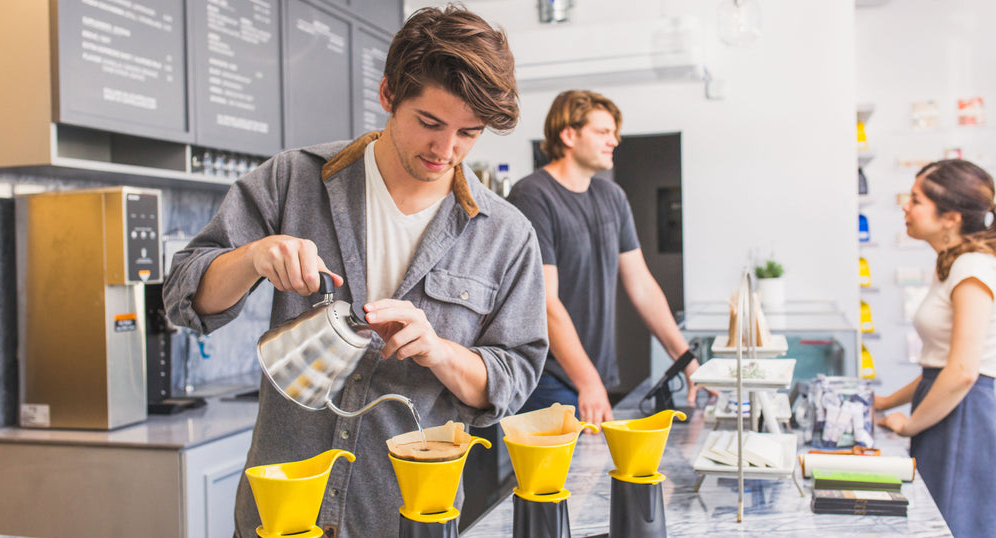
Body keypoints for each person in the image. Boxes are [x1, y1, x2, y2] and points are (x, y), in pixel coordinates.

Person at [163, 7, 547, 537]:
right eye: (429, 123)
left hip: (405, 517)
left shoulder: (506, 234)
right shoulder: (292, 180)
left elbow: (513, 378)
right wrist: (251, 257)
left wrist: (439, 352)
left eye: (468, 133)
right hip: (281, 515)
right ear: (389, 95)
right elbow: (183, 295)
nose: (446, 150)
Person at [507, 90, 698, 428]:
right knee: (560, 481)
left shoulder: (612, 196)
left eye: (615, 133)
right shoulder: (533, 195)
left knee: (591, 478)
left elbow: (642, 286)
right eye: (603, 132)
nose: (614, 140)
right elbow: (546, 301)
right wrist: (586, 381)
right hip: (549, 377)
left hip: (592, 376)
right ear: (569, 134)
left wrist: (686, 360)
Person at [874, 159, 996, 537]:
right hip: (950, 406)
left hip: (965, 415)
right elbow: (940, 366)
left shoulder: (971, 268)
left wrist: (910, 423)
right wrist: (884, 403)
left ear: (950, 217)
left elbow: (962, 373)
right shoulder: (955, 264)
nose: (905, 207)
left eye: (916, 199)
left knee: (954, 523)